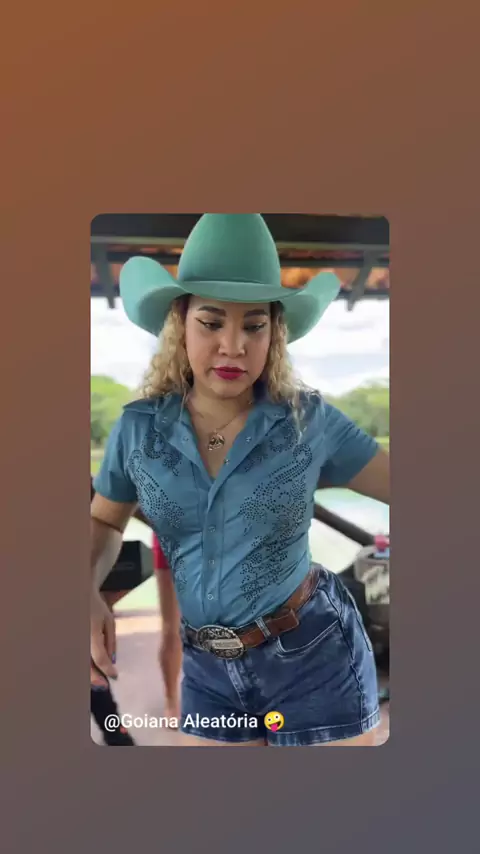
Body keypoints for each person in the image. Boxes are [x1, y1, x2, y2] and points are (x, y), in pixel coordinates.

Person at [90, 213, 390, 747]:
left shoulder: (310, 421)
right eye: (211, 322)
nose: (233, 346)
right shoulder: (137, 430)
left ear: (274, 333)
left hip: (315, 655)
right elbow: (104, 521)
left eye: (254, 325)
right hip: (207, 670)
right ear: (180, 324)